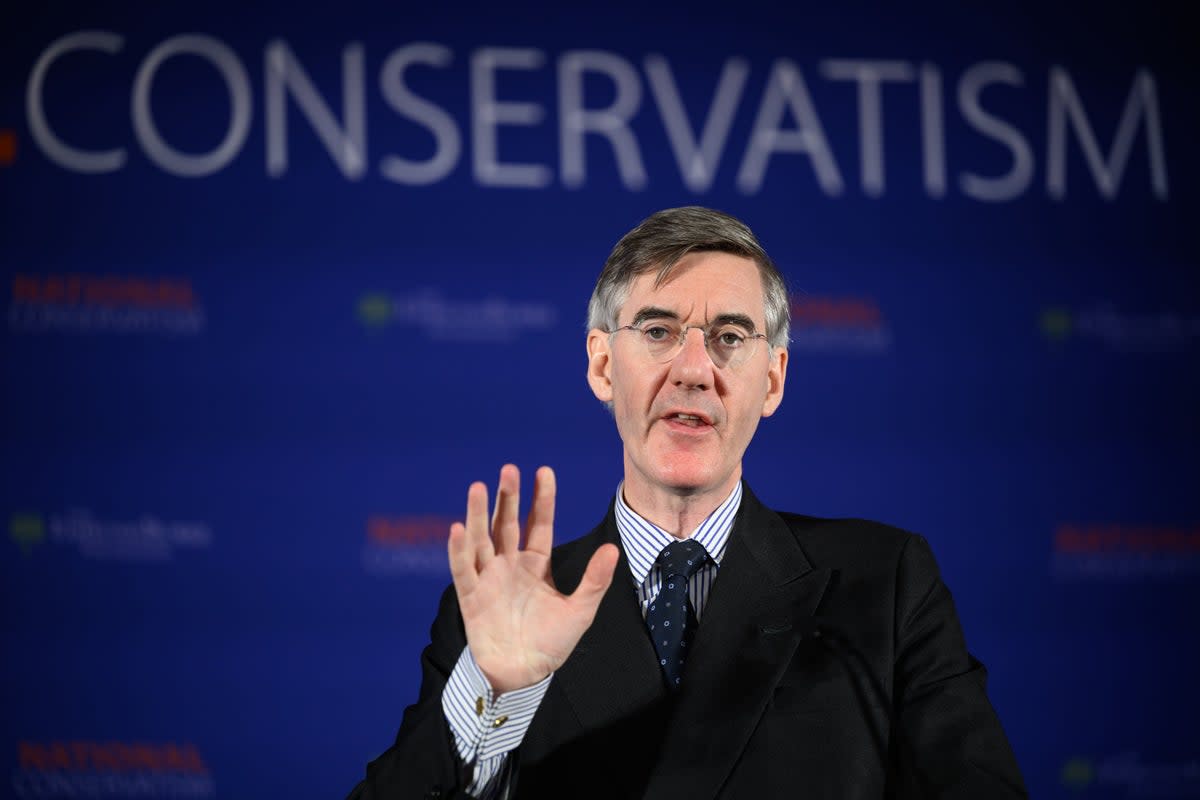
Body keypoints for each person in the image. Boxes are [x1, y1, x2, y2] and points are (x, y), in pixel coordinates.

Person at [348, 207, 1026, 799]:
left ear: (773, 379)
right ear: (602, 366)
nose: (696, 368)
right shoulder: (507, 610)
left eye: (730, 337)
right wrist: (492, 692)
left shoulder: (884, 586)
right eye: (658, 330)